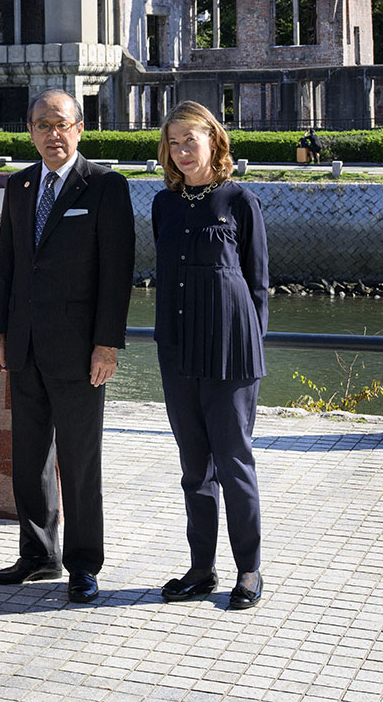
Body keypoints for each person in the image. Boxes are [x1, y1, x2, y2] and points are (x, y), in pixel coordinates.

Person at [0, 89, 134, 604]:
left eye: (61, 124)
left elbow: (117, 275)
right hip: (24, 346)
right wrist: (0, 332)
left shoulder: (105, 186)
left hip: (78, 351)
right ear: (29, 131)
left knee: (78, 461)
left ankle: (83, 564)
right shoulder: (22, 185)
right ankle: (38, 553)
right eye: (42, 125)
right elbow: (8, 265)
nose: (52, 134)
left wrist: (106, 346)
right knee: (29, 459)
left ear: (78, 128)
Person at [153, 101, 268, 610]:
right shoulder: (163, 204)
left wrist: (252, 344)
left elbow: (258, 282)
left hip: (230, 349)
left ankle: (249, 568)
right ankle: (201, 569)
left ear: (213, 141)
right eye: (173, 142)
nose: (181, 151)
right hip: (177, 348)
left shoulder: (239, 199)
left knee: (234, 459)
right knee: (193, 467)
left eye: (190, 141)